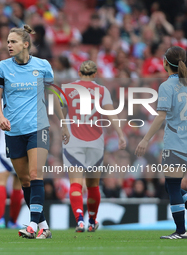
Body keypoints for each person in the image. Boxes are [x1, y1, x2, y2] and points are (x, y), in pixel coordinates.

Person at [0, 24, 70, 239]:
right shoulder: (1, 67)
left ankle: (32, 225)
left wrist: (63, 123)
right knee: (25, 180)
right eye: (7, 41)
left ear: (25, 44)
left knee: (36, 175)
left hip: (38, 127)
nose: (9, 45)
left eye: (13, 41)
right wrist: (0, 116)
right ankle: (43, 225)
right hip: (13, 130)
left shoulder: (43, 66)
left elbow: (53, 96)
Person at [62, 60, 126, 232]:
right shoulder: (101, 90)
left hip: (73, 140)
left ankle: (79, 220)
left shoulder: (67, 88)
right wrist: (120, 134)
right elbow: (111, 113)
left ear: (79, 72)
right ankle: (92, 221)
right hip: (96, 142)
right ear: (95, 74)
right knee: (93, 185)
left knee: (76, 183)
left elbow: (57, 108)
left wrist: (62, 127)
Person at [135, 46, 187, 239]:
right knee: (170, 186)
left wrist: (145, 139)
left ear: (165, 63)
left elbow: (160, 116)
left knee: (172, 186)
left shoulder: (166, 86)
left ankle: (181, 231)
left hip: (175, 144)